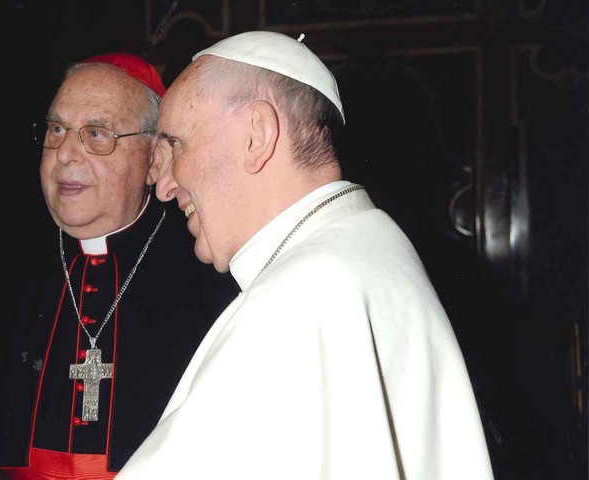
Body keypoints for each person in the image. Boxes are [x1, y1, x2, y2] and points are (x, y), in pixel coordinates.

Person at [114, 31, 495, 479]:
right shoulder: (366, 241)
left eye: (176, 144)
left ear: (256, 135)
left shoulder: (298, 296)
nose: (163, 186)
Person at [0, 53, 239, 479]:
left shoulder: (210, 276)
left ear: (155, 160)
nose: (65, 154)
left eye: (96, 134)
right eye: (56, 130)